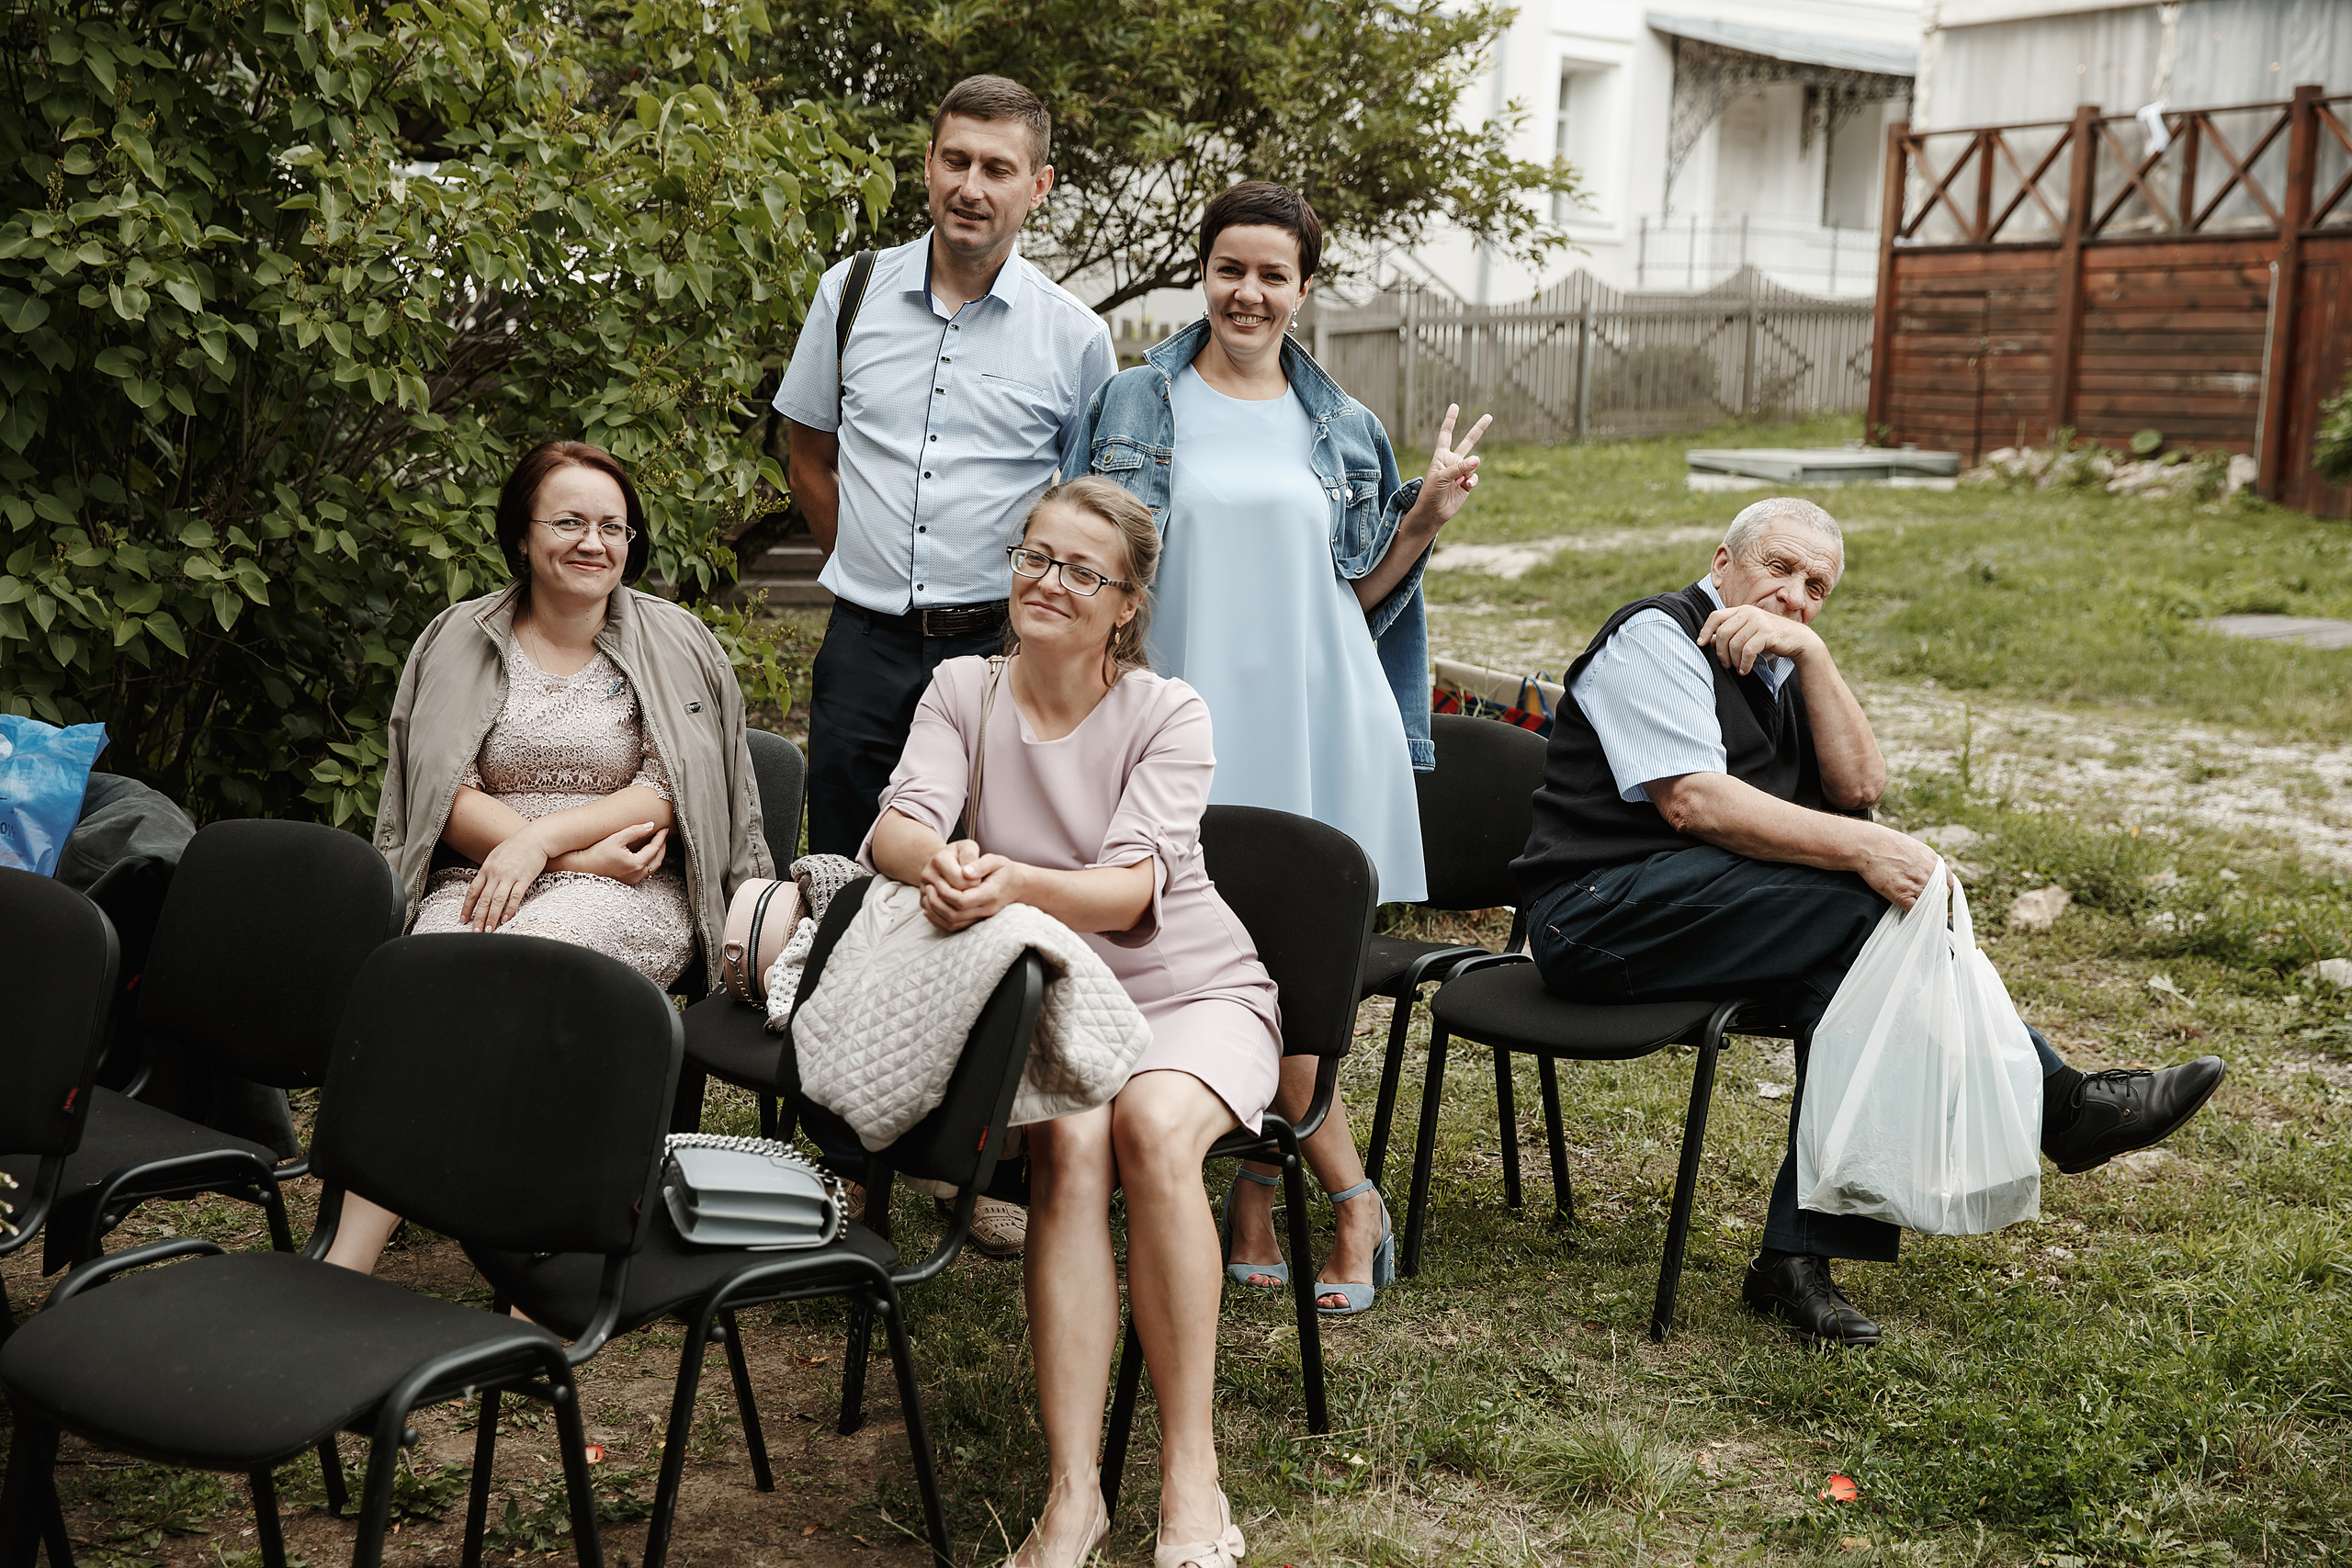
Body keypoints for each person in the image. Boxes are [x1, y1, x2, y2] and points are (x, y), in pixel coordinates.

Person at [1511, 495, 2227, 1346]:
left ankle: (1793, 1261)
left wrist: (1812, 655)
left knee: (1849, 972)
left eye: (1816, 587)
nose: (1794, 595)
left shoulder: (1782, 665)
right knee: (1868, 898)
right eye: (1779, 569)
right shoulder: (1657, 638)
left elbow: (1858, 789)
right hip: (1595, 919)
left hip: (1704, 917)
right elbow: (1693, 802)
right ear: (1723, 560)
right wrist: (1861, 852)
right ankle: (2061, 1101)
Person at [1072, 181, 1489, 1316]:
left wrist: (1420, 523)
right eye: (1229, 268)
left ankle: (1260, 1199)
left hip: (1316, 717)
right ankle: (1349, 1194)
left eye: (1272, 275)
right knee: (1212, 961)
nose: (1247, 292)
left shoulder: (1343, 426)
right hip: (1179, 726)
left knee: (1288, 967)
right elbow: (1087, 566)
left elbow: (1355, 597)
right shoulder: (1130, 403)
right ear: (1200, 273)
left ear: (1305, 290)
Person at [865, 478, 1274, 1568]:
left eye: (1080, 570)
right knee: (1075, 1147)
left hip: (1194, 994)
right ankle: (1074, 1494)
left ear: (1126, 602)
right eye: (1034, 556)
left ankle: (1191, 1478)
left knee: (1144, 1126)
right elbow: (895, 833)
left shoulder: (1166, 712)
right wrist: (942, 859)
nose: (1046, 583)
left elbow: (1132, 891)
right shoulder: (964, 689)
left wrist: (999, 884)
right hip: (1051, 992)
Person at [773, 73, 1116, 1246]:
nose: (971, 185)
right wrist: (863, 559)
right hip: (867, 645)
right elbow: (806, 444)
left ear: (1039, 188)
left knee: (999, 888)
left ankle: (981, 1164)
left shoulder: (1076, 339)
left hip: (1001, 654)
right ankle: (836, 1166)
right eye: (953, 159)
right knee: (844, 880)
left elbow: (1084, 512)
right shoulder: (851, 289)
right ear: (927, 165)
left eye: (998, 167)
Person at [349, 439, 771, 1274]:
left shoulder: (674, 639)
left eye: (612, 526)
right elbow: (442, 792)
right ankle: (351, 1252)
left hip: (633, 885)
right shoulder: (459, 638)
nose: (594, 542)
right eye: (569, 521)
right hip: (492, 872)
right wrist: (555, 859)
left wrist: (544, 842)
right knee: (425, 973)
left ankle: (531, 1251)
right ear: (521, 537)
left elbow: (671, 791)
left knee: (536, 963)